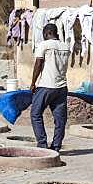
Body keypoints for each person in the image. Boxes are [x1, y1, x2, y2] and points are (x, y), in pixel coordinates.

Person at [30, 23, 70, 153]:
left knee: (35, 114)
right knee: (60, 119)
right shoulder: (65, 46)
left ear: (47, 33)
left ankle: (42, 144)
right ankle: (56, 146)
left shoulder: (44, 45)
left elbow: (38, 64)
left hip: (46, 85)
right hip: (62, 87)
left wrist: (32, 83)